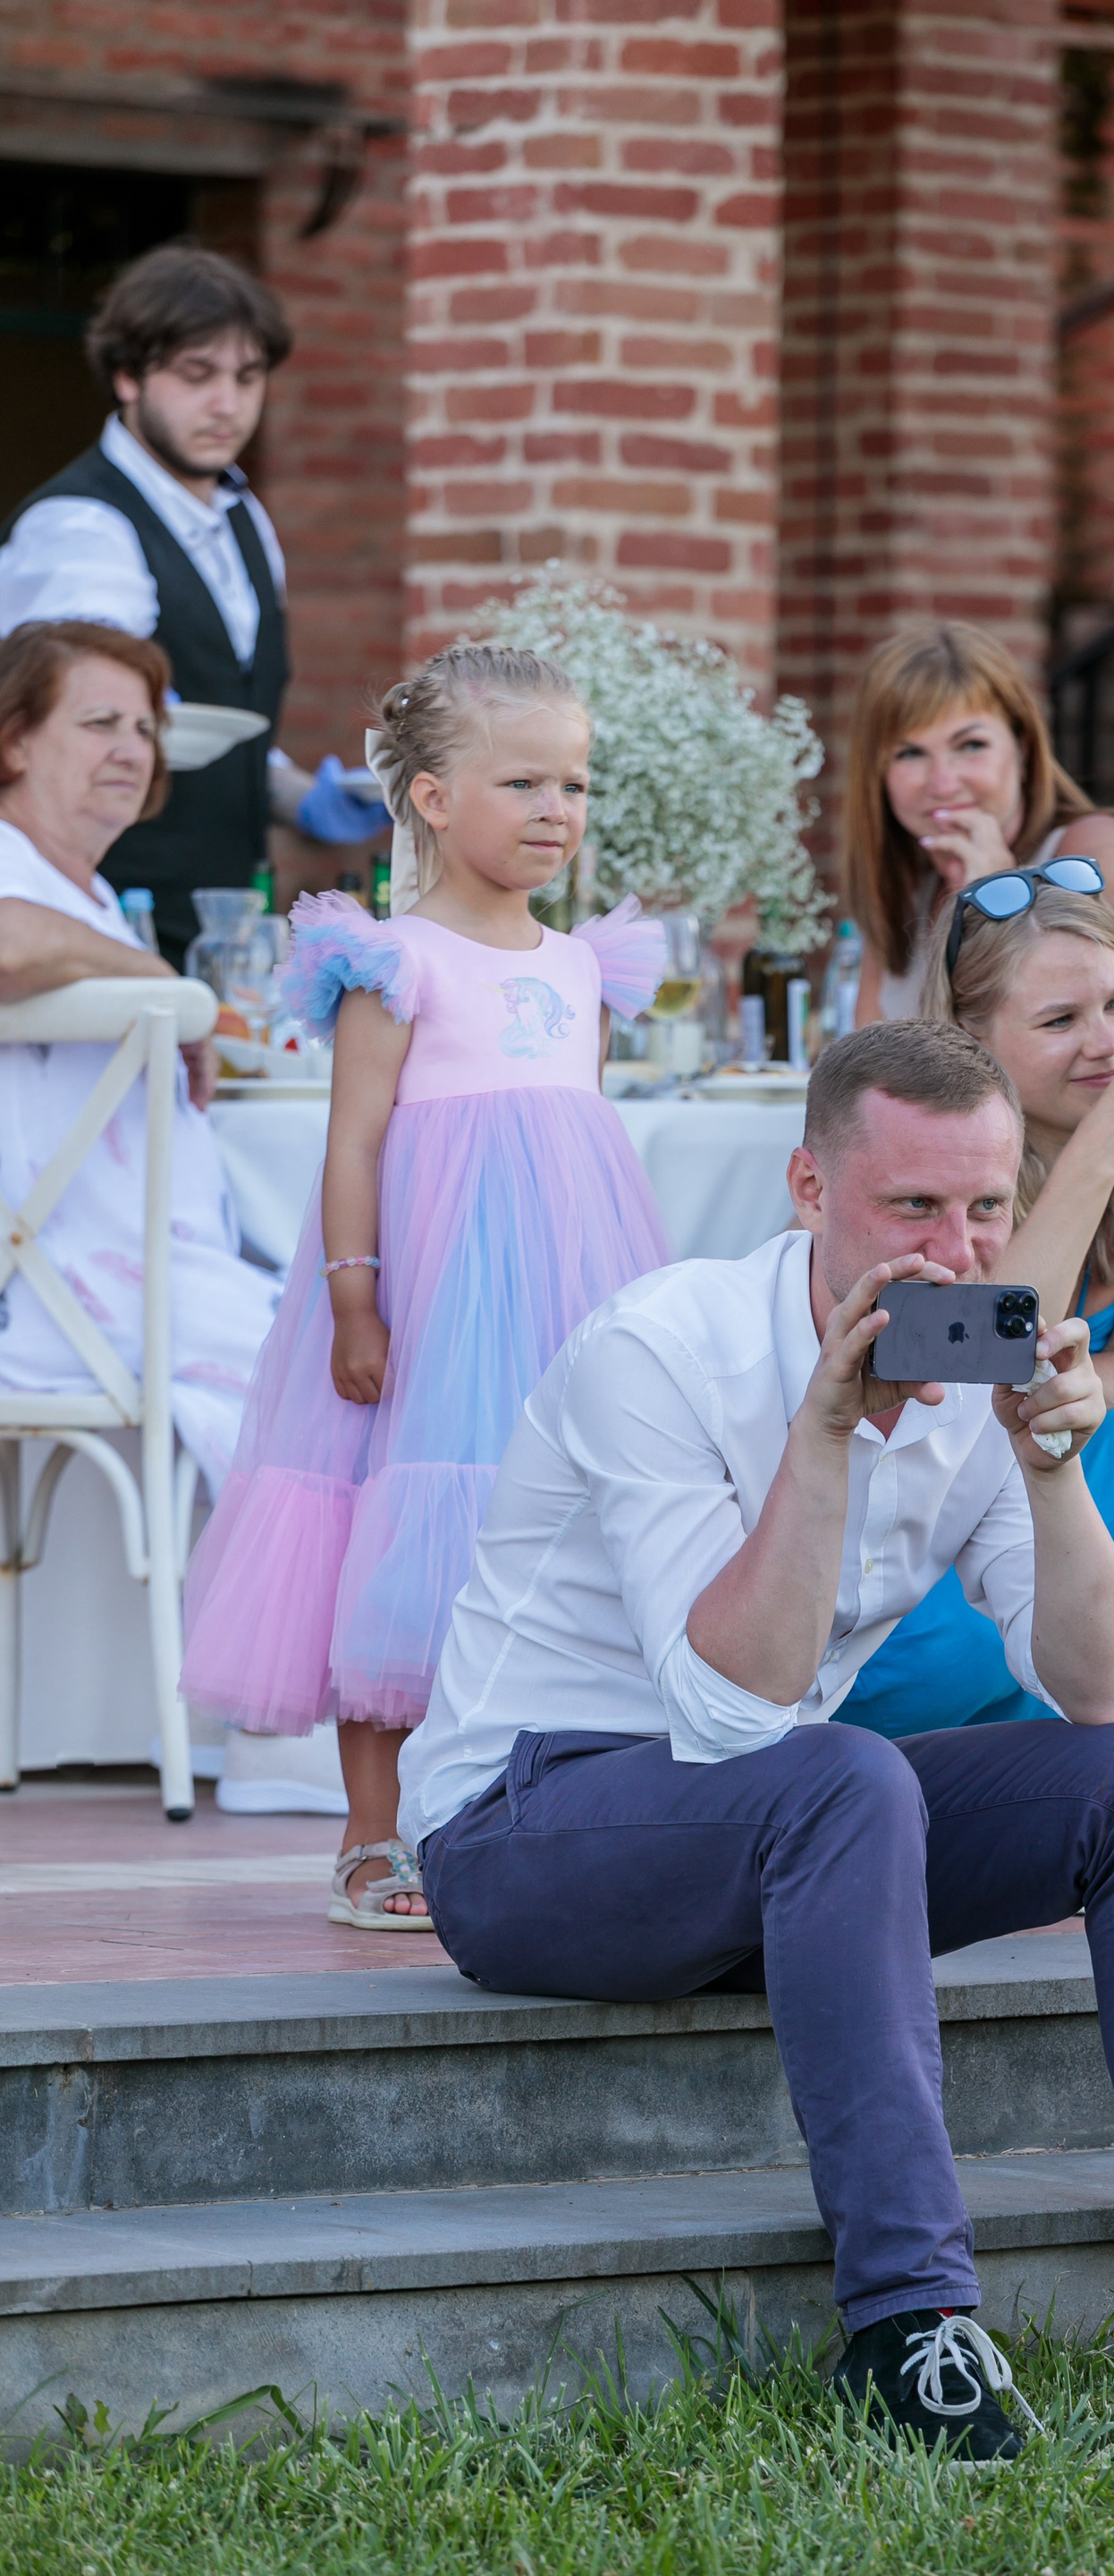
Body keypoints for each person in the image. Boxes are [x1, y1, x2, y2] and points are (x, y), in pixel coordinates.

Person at [397, 1019, 1114, 2457]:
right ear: (807, 1188)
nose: (957, 1255)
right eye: (912, 1207)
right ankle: (909, 2318)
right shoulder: (663, 1349)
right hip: (527, 1830)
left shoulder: (986, 1363)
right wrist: (824, 1438)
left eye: (987, 1210)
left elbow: (1103, 1696)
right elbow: (731, 1713)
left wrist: (1052, 1467)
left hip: (776, 1837)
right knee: (842, 1778)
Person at [179, 644, 671, 1925]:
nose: (557, 810)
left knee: (553, 1536)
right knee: (402, 1536)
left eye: (574, 784)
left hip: (562, 1293)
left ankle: (521, 1814)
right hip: (429, 1295)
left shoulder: (583, 967)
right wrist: (356, 1297)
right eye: (523, 783)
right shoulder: (395, 960)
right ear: (436, 800)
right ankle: (373, 1828)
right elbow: (353, 1143)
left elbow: (574, 1140)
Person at [834, 877, 1114, 1747]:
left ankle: (1089, 1726)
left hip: (1042, 1481)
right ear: (971, 1038)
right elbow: (966, 1362)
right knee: (1091, 1440)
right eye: (1060, 1021)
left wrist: (1053, 1395)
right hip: (911, 1508)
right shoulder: (929, 1158)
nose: (1109, 1043)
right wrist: (1094, 1160)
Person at [0, 246, 382, 966]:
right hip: (102, 918)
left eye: (248, 377)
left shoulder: (245, 518)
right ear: (128, 376)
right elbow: (73, 727)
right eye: (196, 375)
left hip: (225, 921)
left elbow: (214, 714)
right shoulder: (80, 525)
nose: (227, 405)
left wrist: (295, 796)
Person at [0, 620, 278, 1487]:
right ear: (13, 741)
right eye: (100, 724)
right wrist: (163, 980)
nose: (133, 750)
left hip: (150, 1279)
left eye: (146, 729)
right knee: (353, 1376)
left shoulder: (89, 895)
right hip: (59, 1296)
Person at [844, 621, 1114, 1024]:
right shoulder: (908, 891)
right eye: (910, 754)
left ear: (1023, 749)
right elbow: (864, 1051)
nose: (942, 783)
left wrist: (1009, 894)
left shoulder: (1087, 843)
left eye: (971, 745)